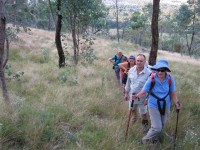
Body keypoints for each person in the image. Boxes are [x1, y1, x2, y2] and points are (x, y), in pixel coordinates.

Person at [132, 59, 182, 144]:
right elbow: (144, 91)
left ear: (166, 70)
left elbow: (173, 93)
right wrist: (136, 96)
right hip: (153, 105)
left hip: (165, 105)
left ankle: (155, 139)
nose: (160, 72)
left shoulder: (170, 79)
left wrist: (177, 102)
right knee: (157, 127)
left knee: (161, 126)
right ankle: (144, 141)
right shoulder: (152, 78)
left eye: (162, 70)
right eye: (158, 70)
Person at [124, 54, 151, 132]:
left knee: (143, 114)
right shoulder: (131, 70)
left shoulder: (148, 73)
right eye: (137, 60)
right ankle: (134, 119)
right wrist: (126, 93)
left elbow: (150, 88)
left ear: (145, 62)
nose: (139, 62)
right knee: (132, 110)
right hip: (132, 96)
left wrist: (147, 98)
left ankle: (145, 128)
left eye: (141, 61)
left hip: (142, 98)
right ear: (135, 61)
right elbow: (128, 82)